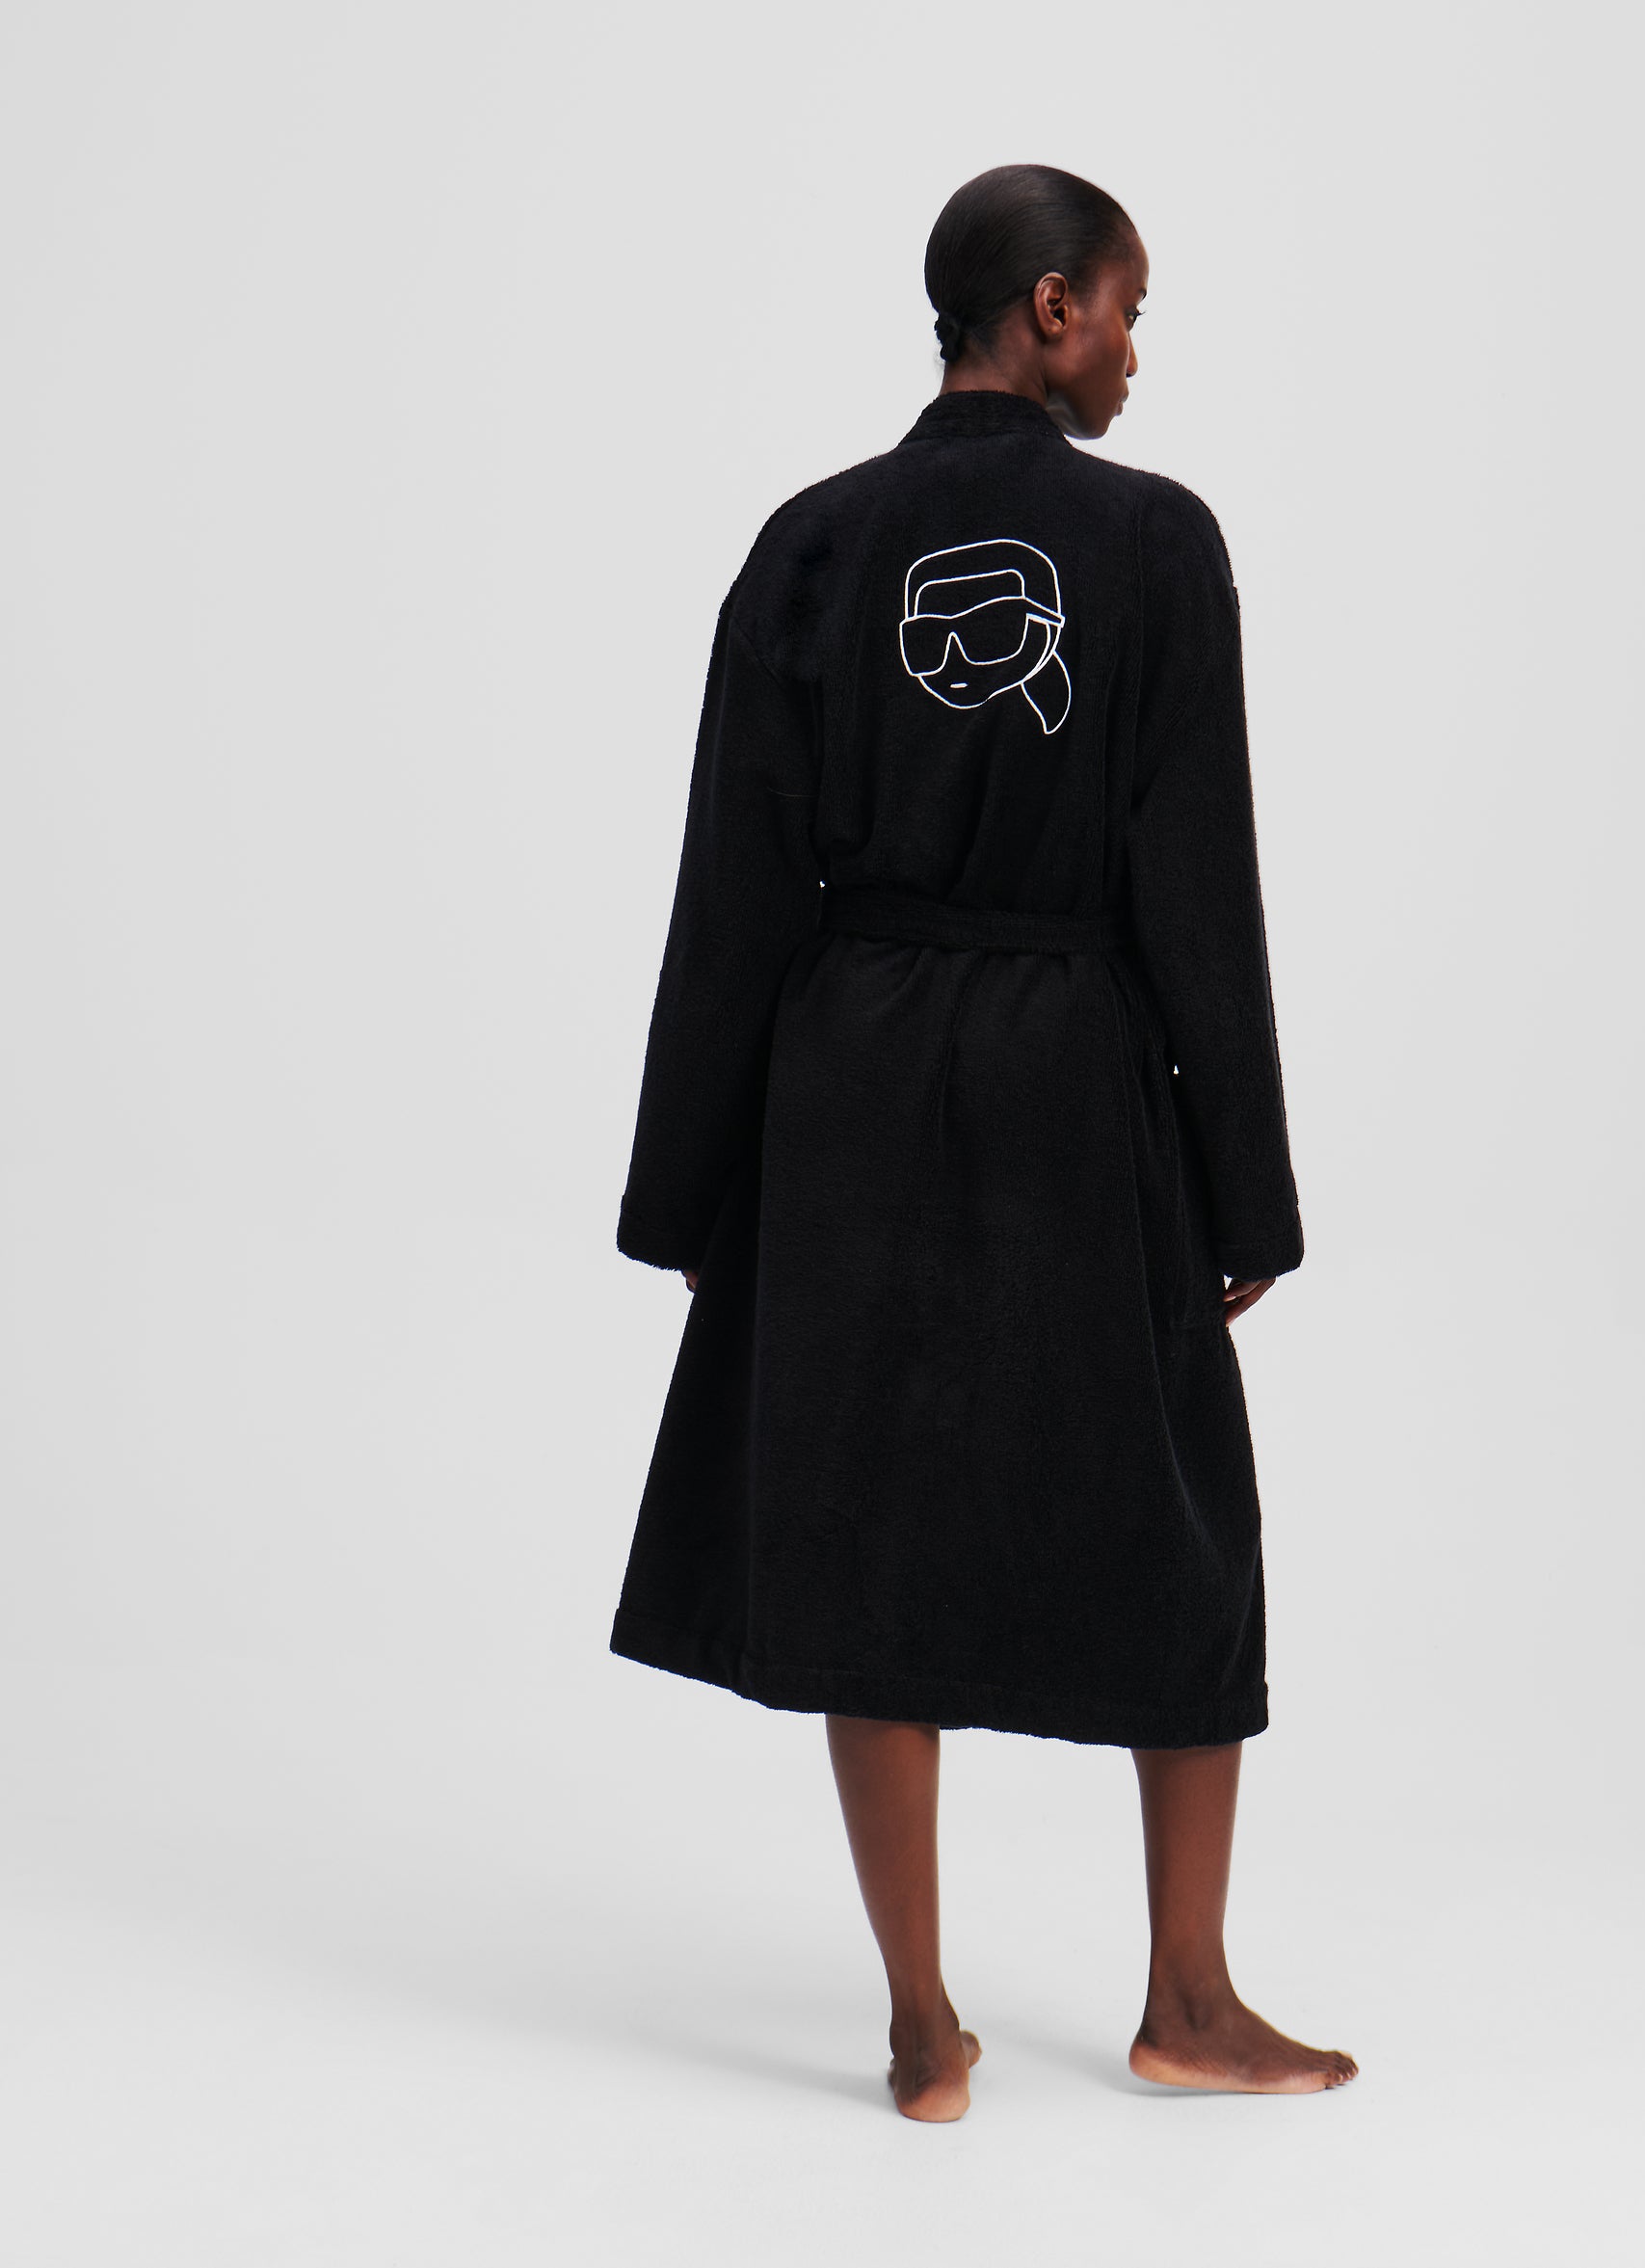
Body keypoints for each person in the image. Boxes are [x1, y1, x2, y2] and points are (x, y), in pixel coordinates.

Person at [609, 162, 1358, 2121]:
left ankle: (922, 2024)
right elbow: (1196, 882)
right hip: (1074, 1073)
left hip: (842, 1075)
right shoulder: (1155, 543)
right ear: (1046, 307)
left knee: (866, 1526)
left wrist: (693, 1191)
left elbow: (735, 888)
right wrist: (1245, 1183)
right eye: (1126, 310)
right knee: (1182, 1520)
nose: (1133, 354)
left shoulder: (811, 542)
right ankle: (1186, 1997)